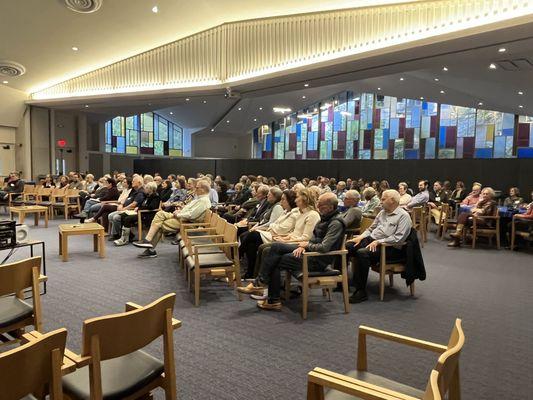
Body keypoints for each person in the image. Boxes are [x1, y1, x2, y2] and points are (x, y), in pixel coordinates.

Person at [240, 192, 345, 311]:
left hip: (317, 261)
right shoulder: (325, 218)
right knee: (275, 247)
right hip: (309, 253)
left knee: (274, 259)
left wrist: (307, 245)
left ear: (331, 207)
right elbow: (314, 239)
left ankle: (268, 294)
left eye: (321, 204)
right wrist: (305, 246)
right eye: (318, 203)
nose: (318, 206)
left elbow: (325, 247)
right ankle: (263, 287)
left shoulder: (335, 223)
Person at [346, 190, 412, 303]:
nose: (380, 202)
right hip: (373, 240)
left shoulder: (403, 216)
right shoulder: (382, 212)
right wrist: (361, 237)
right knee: (348, 246)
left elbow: (398, 238)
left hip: (390, 248)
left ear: (392, 200)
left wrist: (379, 241)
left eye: (383, 199)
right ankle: (342, 282)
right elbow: (371, 229)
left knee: (362, 253)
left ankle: (361, 291)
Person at [133, 179, 212, 258]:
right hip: (183, 218)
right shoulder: (199, 199)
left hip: (187, 223)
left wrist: (179, 214)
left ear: (203, 189)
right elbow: (189, 210)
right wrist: (180, 211)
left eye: (197, 188)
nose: (195, 189)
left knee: (159, 224)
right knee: (160, 214)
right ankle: (148, 243)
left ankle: (149, 246)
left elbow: (192, 215)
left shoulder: (204, 201)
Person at [239, 189, 297, 279]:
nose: (281, 201)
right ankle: (251, 273)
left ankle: (237, 256)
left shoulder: (290, 212)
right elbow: (274, 224)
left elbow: (280, 228)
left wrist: (270, 227)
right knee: (251, 244)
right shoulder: (285, 211)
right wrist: (272, 226)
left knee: (252, 235)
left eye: (283, 199)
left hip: (278, 237)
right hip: (271, 233)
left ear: (290, 200)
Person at [114, 182, 161, 246]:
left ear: (151, 189)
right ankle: (128, 236)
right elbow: (142, 204)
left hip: (147, 215)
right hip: (140, 213)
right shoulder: (147, 196)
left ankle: (125, 239)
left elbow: (151, 207)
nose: (145, 189)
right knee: (123, 215)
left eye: (147, 188)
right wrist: (138, 207)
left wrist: (139, 208)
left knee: (128, 218)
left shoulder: (156, 197)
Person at [107, 176, 146, 240]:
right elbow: (126, 198)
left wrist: (124, 209)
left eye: (133, 181)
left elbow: (134, 204)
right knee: (110, 216)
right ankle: (123, 233)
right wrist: (121, 204)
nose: (132, 182)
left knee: (116, 217)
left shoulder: (141, 192)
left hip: (132, 211)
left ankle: (117, 234)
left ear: (139, 183)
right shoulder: (134, 191)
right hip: (126, 208)